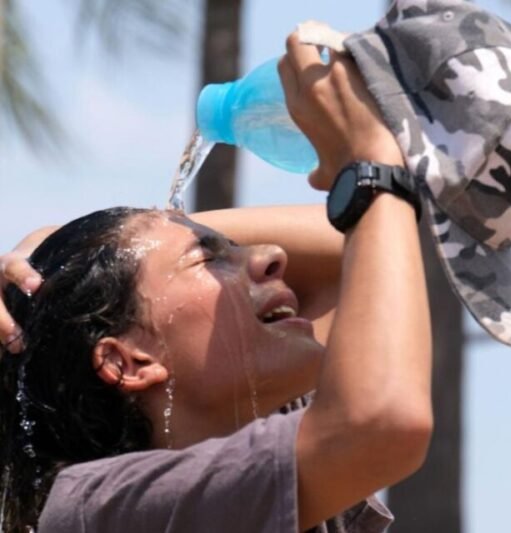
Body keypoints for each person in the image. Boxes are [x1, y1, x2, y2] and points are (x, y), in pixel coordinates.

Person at [0, 32, 432, 533]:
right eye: (208, 257)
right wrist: (373, 166)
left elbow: (362, 248)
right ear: (127, 360)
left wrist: (66, 241)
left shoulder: (260, 448)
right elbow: (383, 422)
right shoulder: (101, 510)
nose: (273, 256)